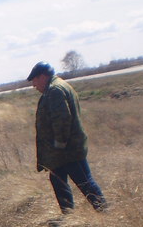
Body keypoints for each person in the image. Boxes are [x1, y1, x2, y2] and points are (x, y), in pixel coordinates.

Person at [27, 61, 107, 214]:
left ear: (43, 77)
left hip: (67, 151)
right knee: (58, 181)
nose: (34, 85)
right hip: (62, 153)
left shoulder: (55, 90)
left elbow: (62, 119)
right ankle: (68, 216)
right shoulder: (57, 87)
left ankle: (105, 212)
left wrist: (60, 144)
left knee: (84, 182)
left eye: (35, 80)